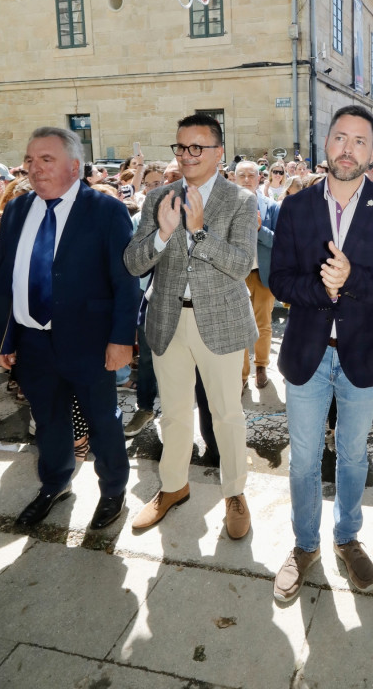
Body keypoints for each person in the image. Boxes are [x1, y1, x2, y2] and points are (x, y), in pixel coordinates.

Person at [269, 104, 373, 603]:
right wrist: (323, 289)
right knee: (303, 459)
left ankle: (347, 537)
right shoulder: (297, 206)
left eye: (359, 141)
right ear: (326, 143)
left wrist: (351, 279)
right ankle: (305, 544)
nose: (347, 149)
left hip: (364, 354)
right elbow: (279, 279)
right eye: (340, 137)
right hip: (307, 353)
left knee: (353, 456)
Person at [0, 127, 139, 531]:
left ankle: (113, 491)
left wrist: (122, 339)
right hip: (33, 341)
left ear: (74, 166)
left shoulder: (105, 210)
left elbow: (125, 281)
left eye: (46, 159)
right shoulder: (18, 209)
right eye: (29, 160)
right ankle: (54, 484)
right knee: (48, 421)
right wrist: (4, 337)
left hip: (91, 342)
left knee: (102, 421)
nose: (34, 168)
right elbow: (5, 278)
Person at [123, 113, 258, 539]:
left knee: (227, 414)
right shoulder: (158, 197)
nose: (186, 155)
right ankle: (172, 486)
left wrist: (198, 233)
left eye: (197, 147)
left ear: (219, 152)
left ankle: (234, 493)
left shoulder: (240, 200)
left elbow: (242, 264)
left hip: (220, 319)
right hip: (167, 317)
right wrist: (162, 236)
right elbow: (133, 263)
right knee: (174, 412)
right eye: (181, 147)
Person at [235, 160, 280, 390]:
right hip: (236, 275)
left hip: (263, 274)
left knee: (263, 324)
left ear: (259, 178)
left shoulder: (271, 207)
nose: (246, 179)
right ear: (234, 178)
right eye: (241, 175)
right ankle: (242, 374)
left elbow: (281, 242)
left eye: (251, 175)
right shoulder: (226, 206)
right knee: (239, 326)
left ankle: (261, 366)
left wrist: (260, 229)